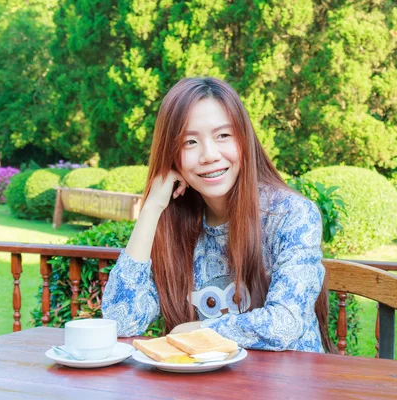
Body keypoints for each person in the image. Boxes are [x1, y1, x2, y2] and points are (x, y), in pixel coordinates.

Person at [102, 77, 332, 353]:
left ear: (244, 140)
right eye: (190, 142)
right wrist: (151, 209)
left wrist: (198, 330)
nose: (209, 155)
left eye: (223, 135)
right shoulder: (174, 223)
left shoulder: (290, 214)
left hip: (288, 386)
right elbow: (121, 321)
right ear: (172, 155)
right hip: (206, 388)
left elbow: (285, 324)